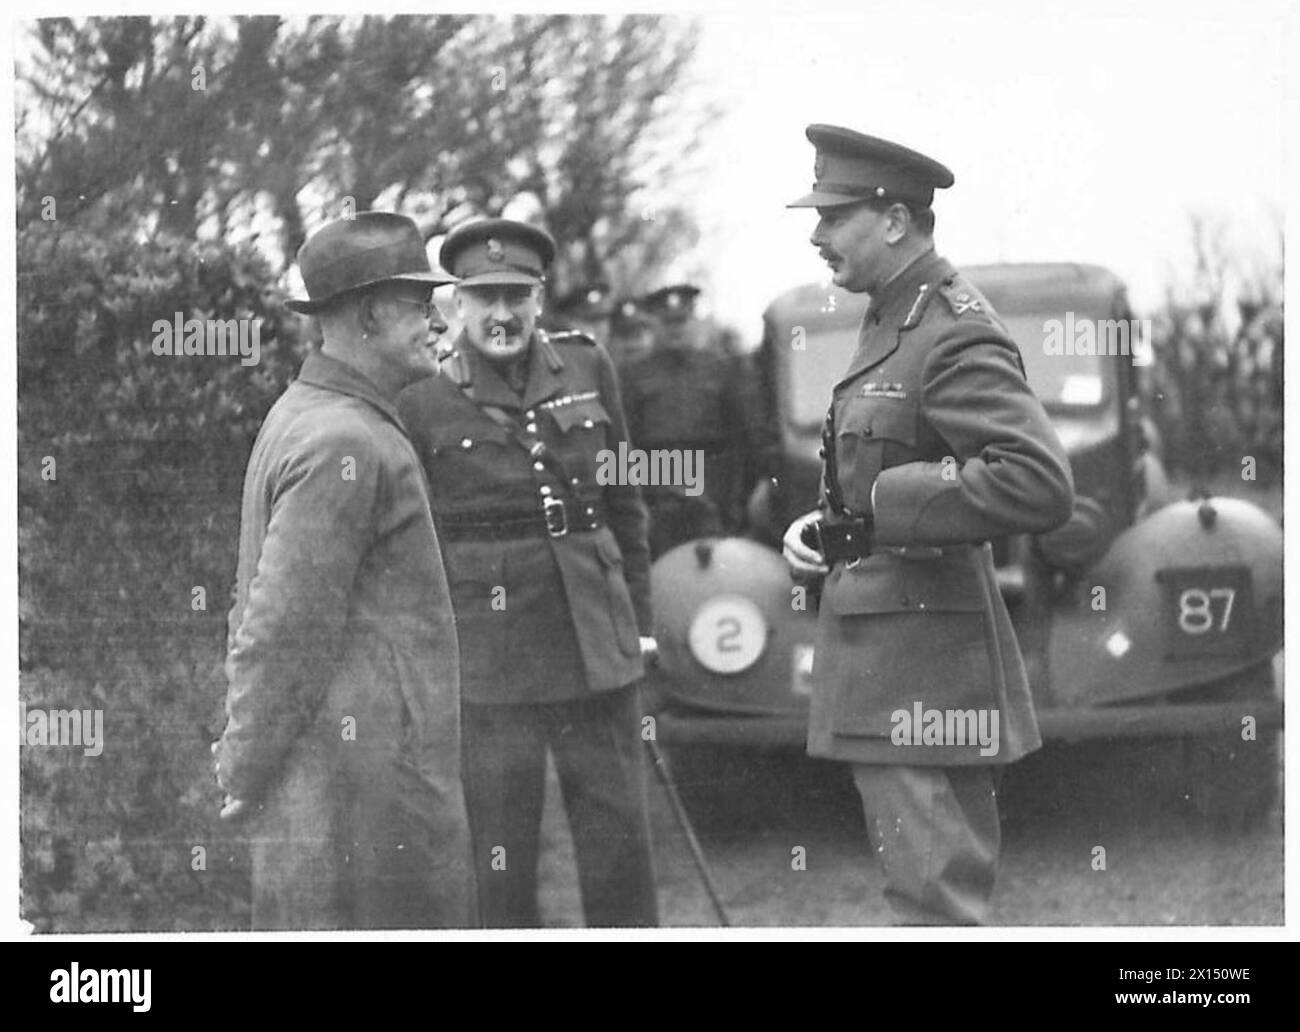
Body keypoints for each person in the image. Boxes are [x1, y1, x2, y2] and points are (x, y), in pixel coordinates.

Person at [781, 125, 1074, 924]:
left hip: (925, 670)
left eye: (833, 216)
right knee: (921, 893)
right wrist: (831, 529)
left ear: (895, 220)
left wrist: (882, 509)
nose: (816, 235)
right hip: (891, 653)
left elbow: (1039, 481)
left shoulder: (952, 328)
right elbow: (897, 469)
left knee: (934, 902)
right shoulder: (891, 317)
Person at [212, 211, 475, 929]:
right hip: (365, 812)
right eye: (422, 306)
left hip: (357, 797)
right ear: (367, 314)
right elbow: (282, 631)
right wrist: (245, 763)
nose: (441, 323)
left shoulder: (316, 414)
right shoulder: (341, 437)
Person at [397, 218, 659, 928]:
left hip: (593, 642)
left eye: (517, 295)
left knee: (618, 845)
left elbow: (625, 503)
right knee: (499, 852)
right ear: (456, 305)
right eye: (485, 298)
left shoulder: (586, 366)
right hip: (491, 659)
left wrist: (639, 622)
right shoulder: (421, 397)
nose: (503, 314)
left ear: (540, 298)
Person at [621, 284, 753, 555]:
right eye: (667, 322)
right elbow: (623, 444)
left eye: (681, 321)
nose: (675, 329)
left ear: (692, 320)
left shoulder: (720, 369)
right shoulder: (632, 375)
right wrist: (636, 505)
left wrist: (735, 500)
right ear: (654, 324)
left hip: (711, 489)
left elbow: (742, 439)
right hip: (657, 490)